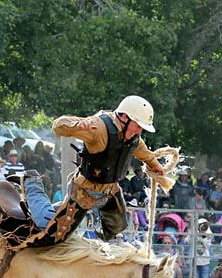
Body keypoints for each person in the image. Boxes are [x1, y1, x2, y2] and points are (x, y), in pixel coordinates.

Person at [23, 95, 165, 243]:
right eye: (138, 125)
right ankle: (32, 185)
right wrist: (77, 126)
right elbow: (58, 126)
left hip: (110, 191)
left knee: (117, 227)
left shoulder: (132, 137)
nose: (139, 131)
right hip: (83, 191)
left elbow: (142, 151)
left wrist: (156, 165)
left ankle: (91, 237)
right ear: (124, 117)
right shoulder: (98, 128)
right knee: (53, 235)